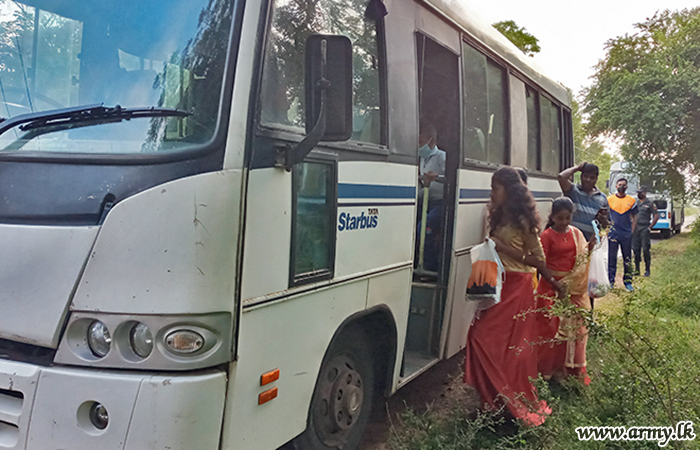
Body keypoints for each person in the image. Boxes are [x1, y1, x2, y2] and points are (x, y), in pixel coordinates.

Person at [464, 167, 562, 426]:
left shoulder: (524, 221)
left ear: (508, 190)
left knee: (501, 348)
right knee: (480, 340)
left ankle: (504, 405)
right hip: (495, 283)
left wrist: (505, 248)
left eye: (495, 188)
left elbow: (538, 260)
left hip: (516, 288)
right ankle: (491, 403)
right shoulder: (496, 215)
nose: (491, 193)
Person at [535, 197, 593, 385]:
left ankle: (571, 370)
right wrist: (555, 284)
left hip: (573, 289)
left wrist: (592, 245)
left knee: (576, 329)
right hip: (551, 288)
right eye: (560, 218)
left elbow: (583, 257)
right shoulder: (546, 236)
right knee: (552, 330)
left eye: (568, 218)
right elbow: (541, 265)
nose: (565, 222)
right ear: (552, 217)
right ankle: (550, 372)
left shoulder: (576, 233)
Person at [416, 120, 446, 272]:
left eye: (420, 141)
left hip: (440, 203)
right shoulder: (421, 158)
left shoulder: (441, 157)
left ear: (431, 141)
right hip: (425, 200)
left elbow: (451, 178)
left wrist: (437, 176)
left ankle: (431, 268)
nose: (418, 145)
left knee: (423, 229)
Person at [558, 162, 609, 241]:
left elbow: (608, 226)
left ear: (596, 179)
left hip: (591, 243)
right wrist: (578, 168)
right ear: (581, 176)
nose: (588, 180)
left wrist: (604, 221)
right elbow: (561, 177)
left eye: (592, 177)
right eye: (585, 176)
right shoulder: (573, 190)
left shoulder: (602, 198)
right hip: (572, 240)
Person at [608, 178, 638, 291]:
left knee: (627, 259)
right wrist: (606, 230)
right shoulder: (609, 200)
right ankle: (610, 281)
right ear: (616, 186)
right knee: (612, 258)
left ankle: (628, 282)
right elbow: (605, 215)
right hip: (613, 234)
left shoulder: (631, 200)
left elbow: (635, 216)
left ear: (627, 187)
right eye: (620, 185)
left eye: (624, 185)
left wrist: (632, 230)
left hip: (626, 234)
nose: (622, 186)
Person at [632, 186, 659, 277]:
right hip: (636, 229)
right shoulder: (635, 203)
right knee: (636, 250)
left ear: (645, 193)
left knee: (646, 249)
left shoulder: (650, 203)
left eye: (641, 192)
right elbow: (631, 214)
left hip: (644, 228)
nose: (639, 194)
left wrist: (650, 227)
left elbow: (656, 215)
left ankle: (647, 270)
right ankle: (637, 270)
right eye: (638, 192)